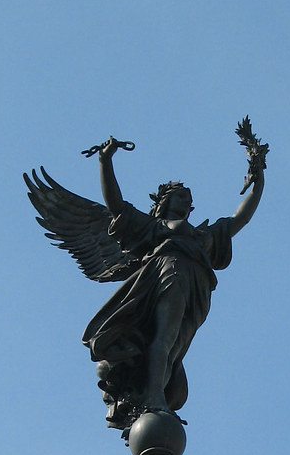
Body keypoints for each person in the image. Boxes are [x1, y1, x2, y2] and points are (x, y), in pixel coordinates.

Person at [82, 136, 265, 432]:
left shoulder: (206, 234)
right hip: (171, 272)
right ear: (164, 202)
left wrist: (258, 176)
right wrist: (105, 161)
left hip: (198, 287)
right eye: (181, 196)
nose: (187, 202)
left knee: (176, 349)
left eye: (189, 199)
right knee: (166, 338)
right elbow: (116, 205)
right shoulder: (156, 227)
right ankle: (155, 399)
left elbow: (241, 217)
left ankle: (153, 396)